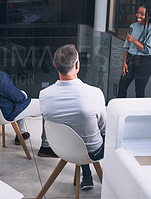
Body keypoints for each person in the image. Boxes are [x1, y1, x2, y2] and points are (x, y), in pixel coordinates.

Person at [39, 44, 106, 191]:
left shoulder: (44, 95)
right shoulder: (95, 93)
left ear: (54, 65)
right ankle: (106, 177)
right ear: (77, 64)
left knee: (78, 127)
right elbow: (103, 128)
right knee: (103, 132)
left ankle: (86, 174)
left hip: (60, 148)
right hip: (92, 152)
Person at [117, 3, 151, 98]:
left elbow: (148, 50)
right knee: (122, 87)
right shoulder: (133, 26)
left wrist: (134, 41)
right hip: (130, 60)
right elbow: (126, 46)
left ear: (149, 16)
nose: (138, 16)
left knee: (139, 90)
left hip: (144, 63)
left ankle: (139, 112)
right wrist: (124, 62)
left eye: (142, 14)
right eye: (137, 13)